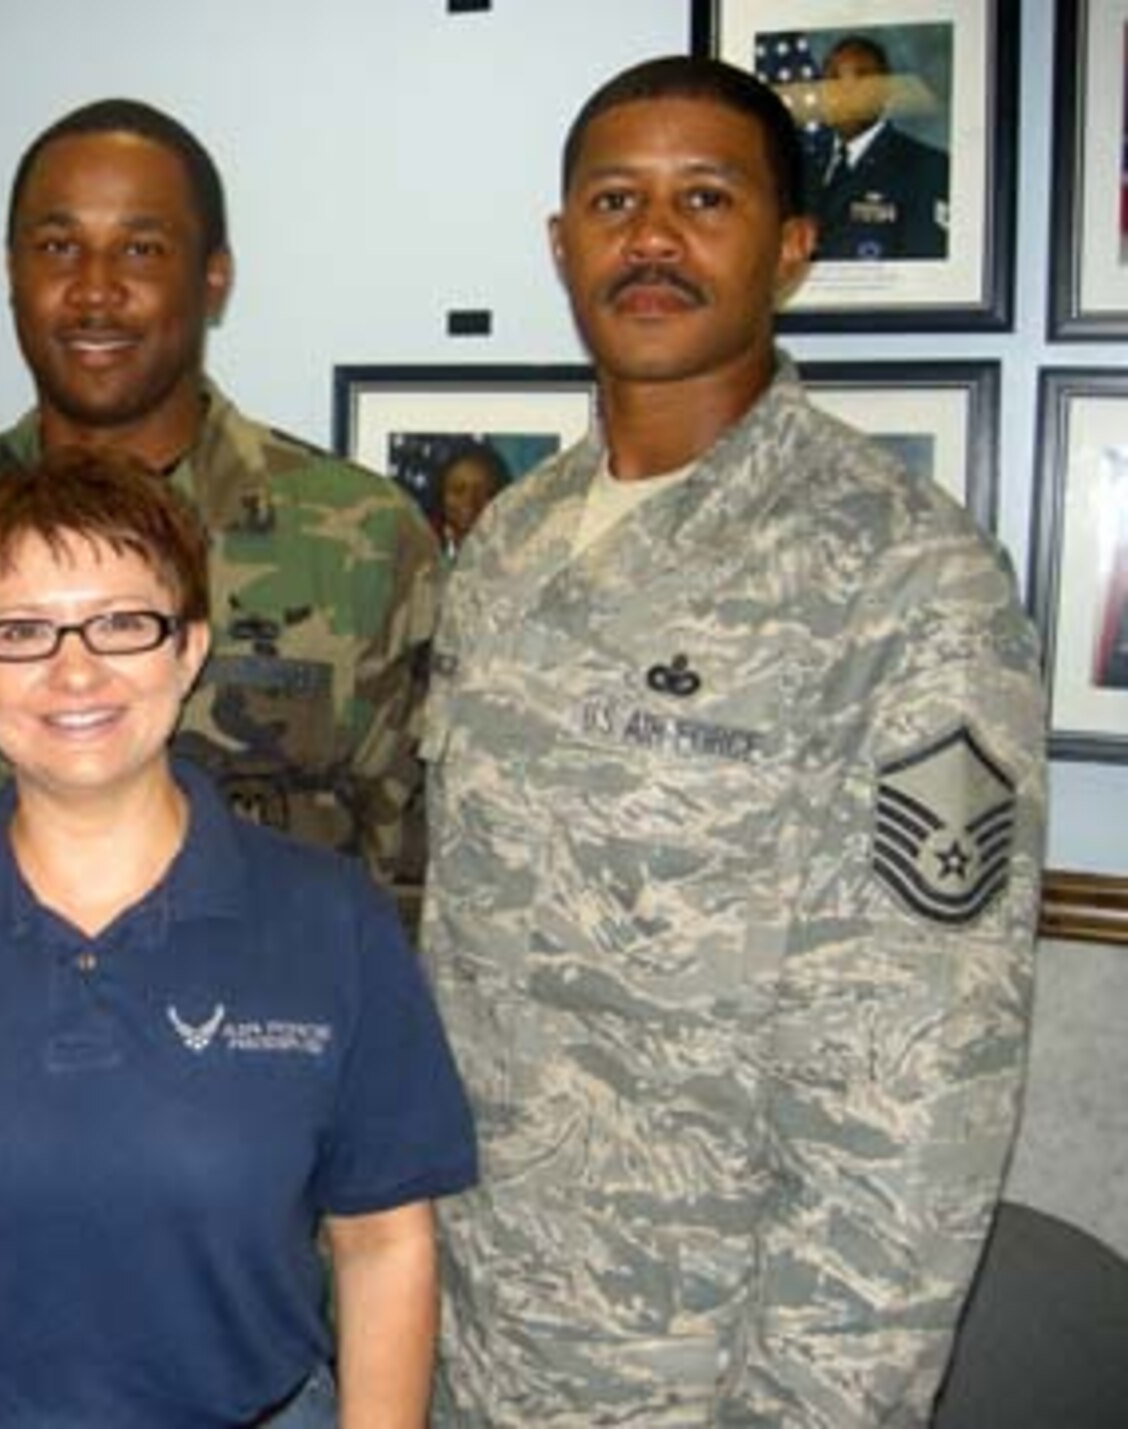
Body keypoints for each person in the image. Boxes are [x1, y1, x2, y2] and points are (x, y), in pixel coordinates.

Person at [424, 55, 1045, 1426]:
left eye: (704, 198)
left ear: (794, 249)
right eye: (612, 201)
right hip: (461, 1326)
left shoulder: (903, 574)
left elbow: (918, 1085)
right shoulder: (510, 544)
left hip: (702, 1366)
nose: (650, 238)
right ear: (560, 243)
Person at [0, 448, 475, 1427]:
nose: (73, 670)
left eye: (121, 623)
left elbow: (382, 1239)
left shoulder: (331, 922)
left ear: (188, 648)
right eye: (21, 630)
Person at [0, 98, 437, 909]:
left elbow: (410, 864)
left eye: (141, 249)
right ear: (12, 272)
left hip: (260, 1014)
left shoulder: (365, 541)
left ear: (213, 278)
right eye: (57, 247)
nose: (95, 291)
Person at [805, 34, 950, 260]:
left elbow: (926, 275)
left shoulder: (927, 168)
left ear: (886, 92)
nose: (844, 92)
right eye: (833, 79)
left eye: (861, 78)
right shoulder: (802, 167)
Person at [431, 438, 512, 559]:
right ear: (441, 496)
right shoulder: (425, 554)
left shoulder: (517, 558)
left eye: (484, 493)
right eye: (458, 490)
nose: (469, 501)